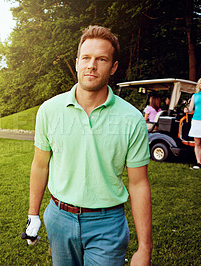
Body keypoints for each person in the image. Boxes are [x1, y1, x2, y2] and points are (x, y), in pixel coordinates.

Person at [24, 25, 152, 266]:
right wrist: (33, 214)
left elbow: (139, 183)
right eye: (86, 58)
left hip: (107, 223)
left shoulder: (131, 118)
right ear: (76, 63)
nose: (91, 65)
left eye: (101, 59)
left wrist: (145, 248)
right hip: (59, 218)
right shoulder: (49, 110)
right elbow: (40, 166)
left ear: (113, 67)